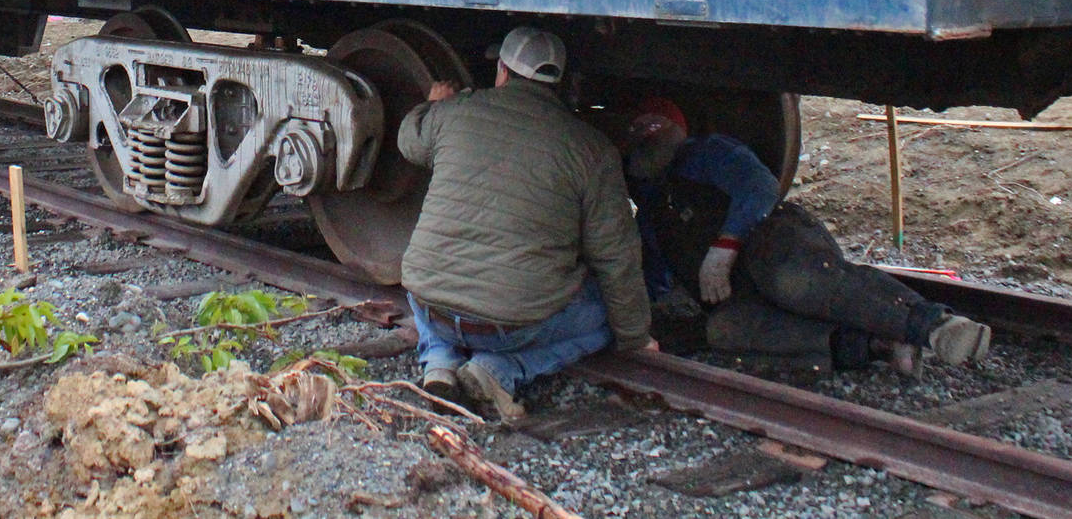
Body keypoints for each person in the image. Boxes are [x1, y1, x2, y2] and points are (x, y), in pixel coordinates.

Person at [397, 26, 656, 421]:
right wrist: (637, 339)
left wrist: (431, 105)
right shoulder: (591, 148)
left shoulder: (452, 114)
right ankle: (498, 370)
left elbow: (408, 143)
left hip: (430, 307)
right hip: (510, 328)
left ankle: (439, 365)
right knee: (607, 312)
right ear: (558, 82)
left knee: (433, 275)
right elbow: (615, 258)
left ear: (502, 70)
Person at [625, 97, 991, 373]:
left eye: (653, 127)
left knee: (793, 282)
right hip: (738, 291)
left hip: (773, 247)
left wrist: (726, 246)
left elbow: (759, 187)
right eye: (637, 131)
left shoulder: (707, 154)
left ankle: (934, 326)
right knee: (724, 330)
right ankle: (877, 346)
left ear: (677, 131)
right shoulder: (653, 211)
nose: (644, 136)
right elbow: (654, 278)